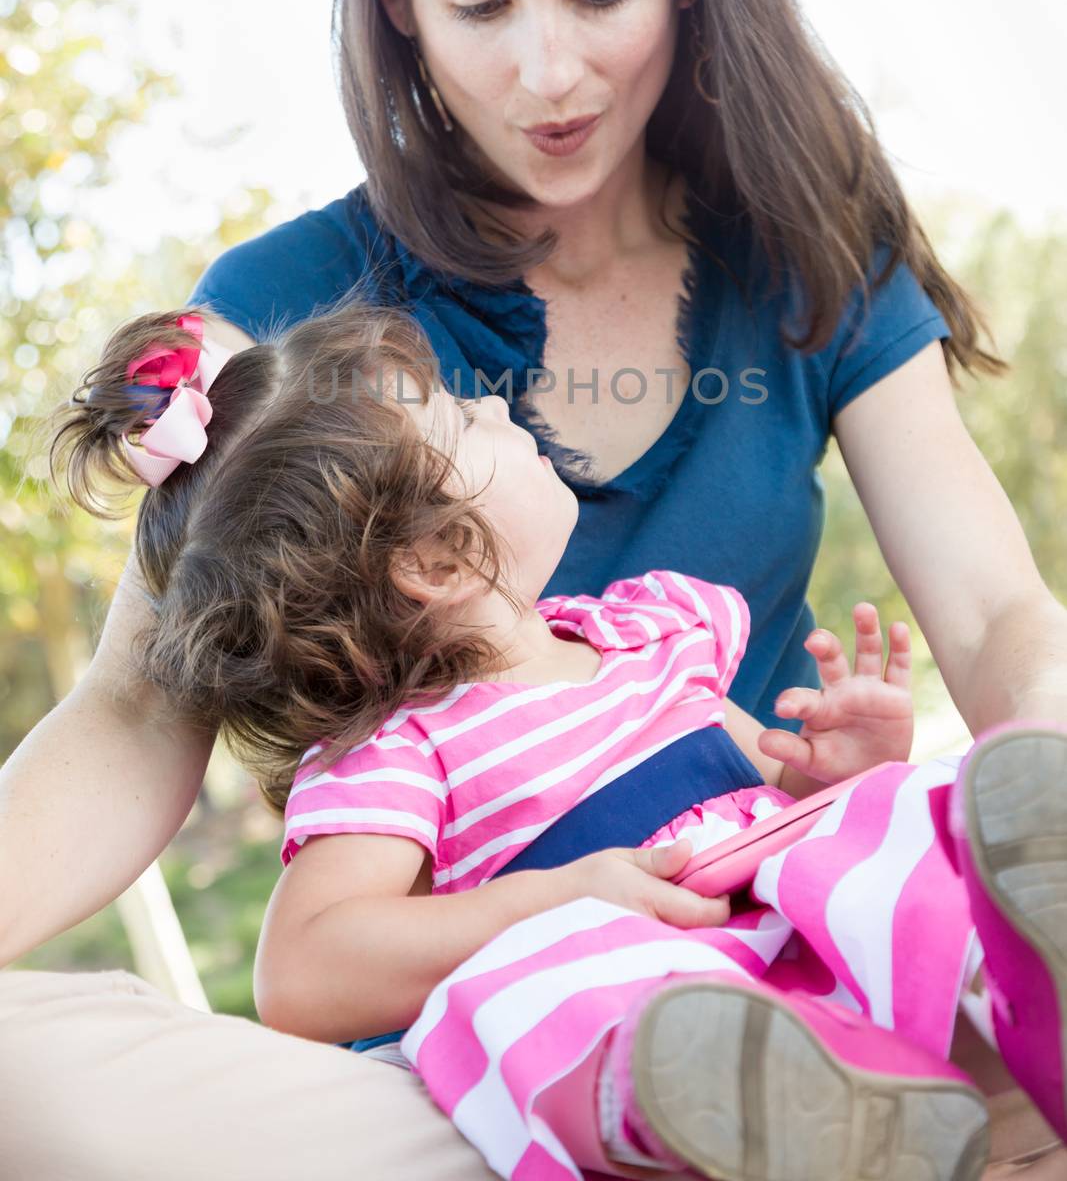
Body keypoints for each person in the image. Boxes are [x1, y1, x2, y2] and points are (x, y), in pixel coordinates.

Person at [1, 0, 1065, 1179]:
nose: (546, 75)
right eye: (479, 6)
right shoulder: (298, 319)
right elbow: (132, 713)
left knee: (941, 867)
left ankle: (938, 1088)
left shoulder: (802, 247)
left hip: (775, 933)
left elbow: (993, 610)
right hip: (500, 1043)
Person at [39, 297, 1067, 1181]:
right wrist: (558, 898)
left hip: (786, 923)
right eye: (461, 416)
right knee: (546, 992)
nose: (493, 405)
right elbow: (302, 969)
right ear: (435, 559)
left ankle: (1028, 977)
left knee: (903, 816)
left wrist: (837, 770)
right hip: (658, 991)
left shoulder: (648, 634)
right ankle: (780, 1115)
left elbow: (762, 784)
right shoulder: (397, 750)